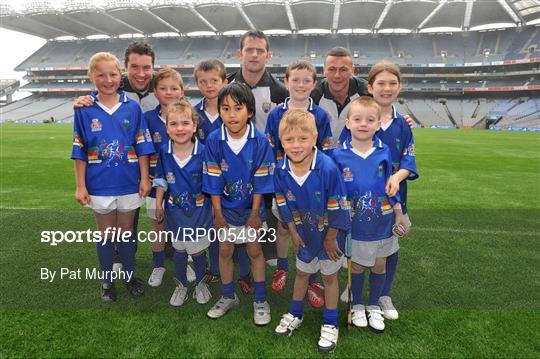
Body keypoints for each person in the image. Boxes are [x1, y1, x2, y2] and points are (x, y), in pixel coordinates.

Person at [338, 62, 419, 320]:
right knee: (359, 243)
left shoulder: (403, 123)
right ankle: (355, 288)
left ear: (399, 87)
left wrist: (397, 176)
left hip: (394, 198)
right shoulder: (358, 119)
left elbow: (409, 158)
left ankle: (383, 295)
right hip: (359, 201)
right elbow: (342, 156)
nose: (387, 88)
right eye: (381, 83)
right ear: (370, 87)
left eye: (392, 83)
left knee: (390, 246)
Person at [71, 52, 154, 301]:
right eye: (101, 75)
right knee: (107, 234)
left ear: (121, 75)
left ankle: (129, 275)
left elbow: (142, 145)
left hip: (129, 183)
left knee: (126, 233)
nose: (108, 80)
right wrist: (80, 186)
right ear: (91, 76)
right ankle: (107, 281)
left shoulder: (132, 107)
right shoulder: (84, 109)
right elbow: (80, 151)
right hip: (99, 185)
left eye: (113, 74)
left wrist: (144, 178)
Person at [272, 109, 350, 353]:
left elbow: (338, 205)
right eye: (289, 140)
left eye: (302, 139)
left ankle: (330, 322)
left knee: (329, 278)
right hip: (303, 233)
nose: (296, 146)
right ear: (280, 141)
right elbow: (283, 202)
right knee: (303, 274)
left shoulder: (327, 168)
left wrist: (330, 237)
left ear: (315, 137)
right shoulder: (280, 169)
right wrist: (293, 232)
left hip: (329, 236)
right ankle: (295, 313)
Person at [332, 96, 410, 332]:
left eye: (370, 120)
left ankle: (374, 306)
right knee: (356, 267)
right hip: (354, 224)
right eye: (357, 119)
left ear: (378, 124)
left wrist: (398, 212)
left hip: (382, 221)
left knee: (379, 264)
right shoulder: (338, 155)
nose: (363, 124)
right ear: (348, 123)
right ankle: (356, 306)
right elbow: (334, 192)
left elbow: (391, 185)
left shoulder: (384, 152)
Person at [202, 82, 275, 325]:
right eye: (225, 108)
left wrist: (255, 214)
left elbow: (262, 180)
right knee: (225, 250)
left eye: (238, 108)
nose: (231, 115)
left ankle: (260, 299)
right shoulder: (214, 140)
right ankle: (227, 296)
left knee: (254, 250)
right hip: (225, 210)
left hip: (251, 209)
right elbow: (212, 180)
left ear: (250, 111)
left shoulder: (261, 140)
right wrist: (218, 214)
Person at [265, 60, 333, 309]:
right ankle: (282, 267)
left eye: (307, 80)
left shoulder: (321, 115)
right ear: (286, 81)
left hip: (312, 185)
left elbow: (325, 150)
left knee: (312, 228)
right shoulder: (275, 114)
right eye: (296, 79)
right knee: (284, 227)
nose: (301, 85)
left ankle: (313, 280)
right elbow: (270, 149)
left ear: (314, 84)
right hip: (284, 183)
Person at [194, 59, 252, 292]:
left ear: (224, 81)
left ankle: (245, 272)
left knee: (243, 227)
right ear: (197, 84)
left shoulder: (233, 110)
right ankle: (215, 269)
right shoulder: (193, 112)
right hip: (206, 182)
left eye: (214, 81)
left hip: (236, 184)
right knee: (214, 226)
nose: (209, 86)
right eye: (203, 82)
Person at [153, 99, 213, 307]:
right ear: (167, 128)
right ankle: (180, 286)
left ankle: (200, 284)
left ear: (195, 126)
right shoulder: (163, 151)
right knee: (179, 251)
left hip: (199, 213)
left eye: (185, 123)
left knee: (197, 252)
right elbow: (160, 180)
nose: (180, 128)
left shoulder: (204, 151)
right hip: (174, 213)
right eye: (174, 124)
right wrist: (158, 204)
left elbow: (212, 184)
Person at [311, 47, 414, 141]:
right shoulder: (313, 96)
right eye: (332, 69)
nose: (337, 75)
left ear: (352, 70)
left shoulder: (366, 92)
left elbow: (384, 104)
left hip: (354, 156)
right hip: (322, 157)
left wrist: (401, 119)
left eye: (343, 69)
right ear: (324, 69)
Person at [144, 67, 188, 287]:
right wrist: (143, 175)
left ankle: (188, 260)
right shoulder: (147, 119)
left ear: (182, 90)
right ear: (155, 92)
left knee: (185, 222)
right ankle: (158, 264)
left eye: (174, 88)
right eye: (163, 88)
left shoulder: (189, 117)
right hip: (156, 184)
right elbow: (140, 150)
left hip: (184, 185)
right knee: (157, 225)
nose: (168, 92)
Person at [227, 30, 288, 133]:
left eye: (260, 51)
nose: (254, 55)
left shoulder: (280, 91)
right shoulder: (226, 86)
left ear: (268, 56)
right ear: (239, 54)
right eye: (249, 50)